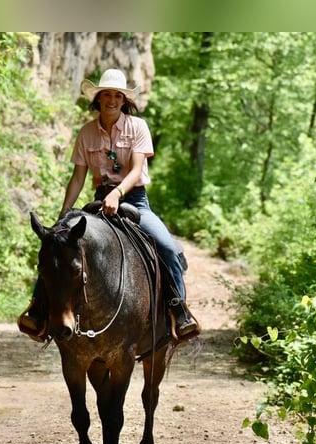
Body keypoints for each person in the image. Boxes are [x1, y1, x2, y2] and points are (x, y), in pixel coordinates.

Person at [18, 68, 201, 343]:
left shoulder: (138, 127)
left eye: (117, 95)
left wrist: (117, 193)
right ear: (98, 99)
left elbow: (137, 169)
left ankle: (179, 309)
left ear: (124, 100)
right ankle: (38, 310)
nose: (112, 100)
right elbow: (78, 177)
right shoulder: (87, 133)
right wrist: (64, 214)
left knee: (166, 247)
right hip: (97, 203)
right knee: (57, 246)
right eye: (107, 95)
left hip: (134, 200)